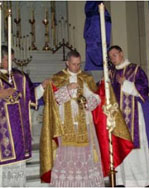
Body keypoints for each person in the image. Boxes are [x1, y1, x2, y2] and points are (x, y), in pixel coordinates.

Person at [0, 45, 49, 187]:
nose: (11, 64)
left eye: (12, 59)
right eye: (8, 60)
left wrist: (42, 86)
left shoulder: (20, 77)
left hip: (18, 137)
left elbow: (31, 98)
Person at [40, 50, 104, 187]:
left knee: (85, 155)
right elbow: (52, 100)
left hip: (84, 123)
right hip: (65, 124)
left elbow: (97, 97)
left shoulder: (85, 77)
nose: (76, 67)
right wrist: (67, 89)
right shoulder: (58, 78)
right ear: (67, 63)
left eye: (78, 64)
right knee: (67, 156)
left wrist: (89, 102)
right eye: (73, 64)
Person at [108, 45, 149, 187]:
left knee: (134, 148)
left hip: (134, 118)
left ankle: (139, 180)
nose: (113, 59)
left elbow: (145, 90)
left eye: (115, 55)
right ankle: (122, 179)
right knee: (120, 146)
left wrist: (126, 83)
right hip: (118, 118)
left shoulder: (135, 69)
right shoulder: (111, 73)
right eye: (110, 57)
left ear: (121, 54)